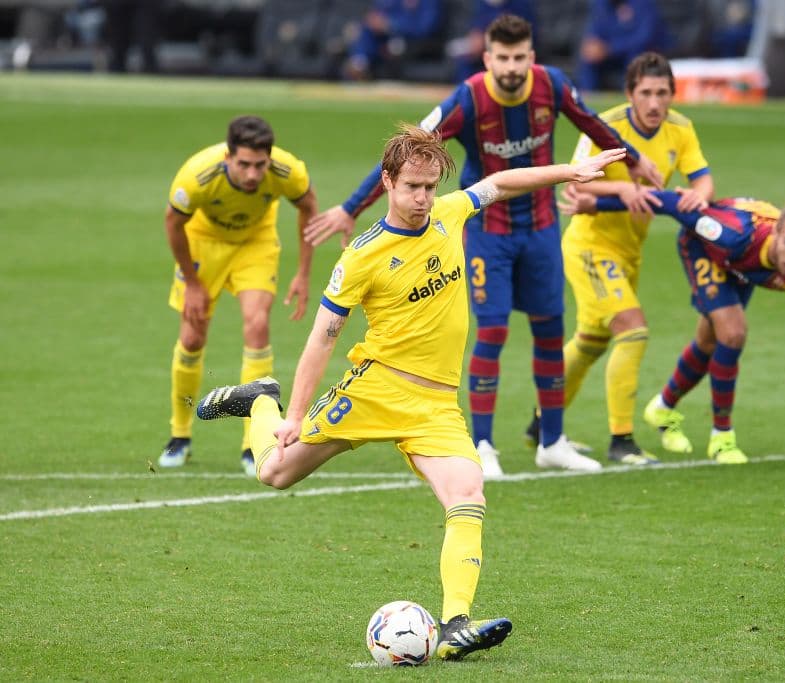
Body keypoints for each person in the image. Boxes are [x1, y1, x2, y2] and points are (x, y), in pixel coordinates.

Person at [195, 124, 627, 660]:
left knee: (468, 492)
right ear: (388, 183)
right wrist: (294, 413)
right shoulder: (361, 255)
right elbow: (322, 339)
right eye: (412, 187)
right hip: (375, 390)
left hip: (436, 406)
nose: (423, 198)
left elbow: (501, 181)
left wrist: (570, 170)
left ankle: (453, 627)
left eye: (429, 186)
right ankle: (262, 399)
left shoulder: (449, 213)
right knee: (274, 473)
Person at [305, 14, 663, 478]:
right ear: (487, 58)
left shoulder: (552, 85)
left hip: (539, 228)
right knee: (491, 332)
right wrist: (352, 208)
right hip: (486, 233)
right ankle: (485, 444)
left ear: (531, 57)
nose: (512, 67)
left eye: (520, 57)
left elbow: (592, 124)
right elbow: (406, 154)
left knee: (551, 331)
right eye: (503, 58)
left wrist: (632, 160)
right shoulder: (469, 97)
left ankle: (552, 441)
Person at [562, 193, 785, 462]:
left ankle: (662, 407)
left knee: (710, 341)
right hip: (704, 247)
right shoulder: (731, 235)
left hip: (740, 267)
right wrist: (598, 203)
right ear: (775, 234)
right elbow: (671, 203)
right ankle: (722, 436)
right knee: (733, 332)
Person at [533, 51, 712, 466]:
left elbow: (702, 180)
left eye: (662, 93)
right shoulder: (606, 127)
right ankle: (622, 440)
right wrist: (621, 190)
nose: (655, 103)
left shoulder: (680, 129)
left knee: (591, 343)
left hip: (630, 252)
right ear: (630, 94)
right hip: (589, 249)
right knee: (633, 329)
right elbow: (575, 187)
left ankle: (543, 425)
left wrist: (697, 196)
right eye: (646, 93)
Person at [159, 115, 318, 476]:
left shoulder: (287, 170)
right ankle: (180, 435)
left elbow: (309, 207)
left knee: (258, 324)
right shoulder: (197, 175)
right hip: (204, 243)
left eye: (259, 165)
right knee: (192, 336)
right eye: (243, 164)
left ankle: (253, 443)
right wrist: (194, 284)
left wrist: (304, 273)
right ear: (228, 156)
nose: (251, 174)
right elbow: (173, 222)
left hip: (255, 244)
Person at [575, 0, 667, 93]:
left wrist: (610, 49)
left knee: (635, 55)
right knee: (590, 55)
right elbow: (596, 30)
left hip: (637, 53)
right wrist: (594, 45)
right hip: (611, 55)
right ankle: (586, 97)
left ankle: (631, 93)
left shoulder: (643, 3)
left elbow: (644, 38)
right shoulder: (601, 3)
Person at [343, 0, 443, 81]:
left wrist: (390, 24)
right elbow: (378, 15)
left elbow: (425, 28)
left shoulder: (430, 2)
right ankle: (359, 64)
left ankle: (360, 65)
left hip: (414, 41)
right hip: (387, 38)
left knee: (394, 45)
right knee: (365, 30)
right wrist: (377, 23)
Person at [447, 0, 535, 82]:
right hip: (482, 52)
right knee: (463, 61)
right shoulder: (481, 4)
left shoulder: (521, 4)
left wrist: (490, 41)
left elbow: (527, 33)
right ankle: (467, 93)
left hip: (510, 48)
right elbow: (476, 29)